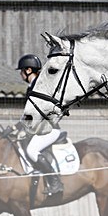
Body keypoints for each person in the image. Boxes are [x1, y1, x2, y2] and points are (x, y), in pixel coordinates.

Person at [15, 54, 64, 196]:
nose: (20, 74)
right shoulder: (33, 87)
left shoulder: (38, 87)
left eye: (21, 71)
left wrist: (21, 127)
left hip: (49, 130)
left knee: (31, 150)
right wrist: (17, 127)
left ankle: (55, 182)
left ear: (28, 70)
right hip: (40, 130)